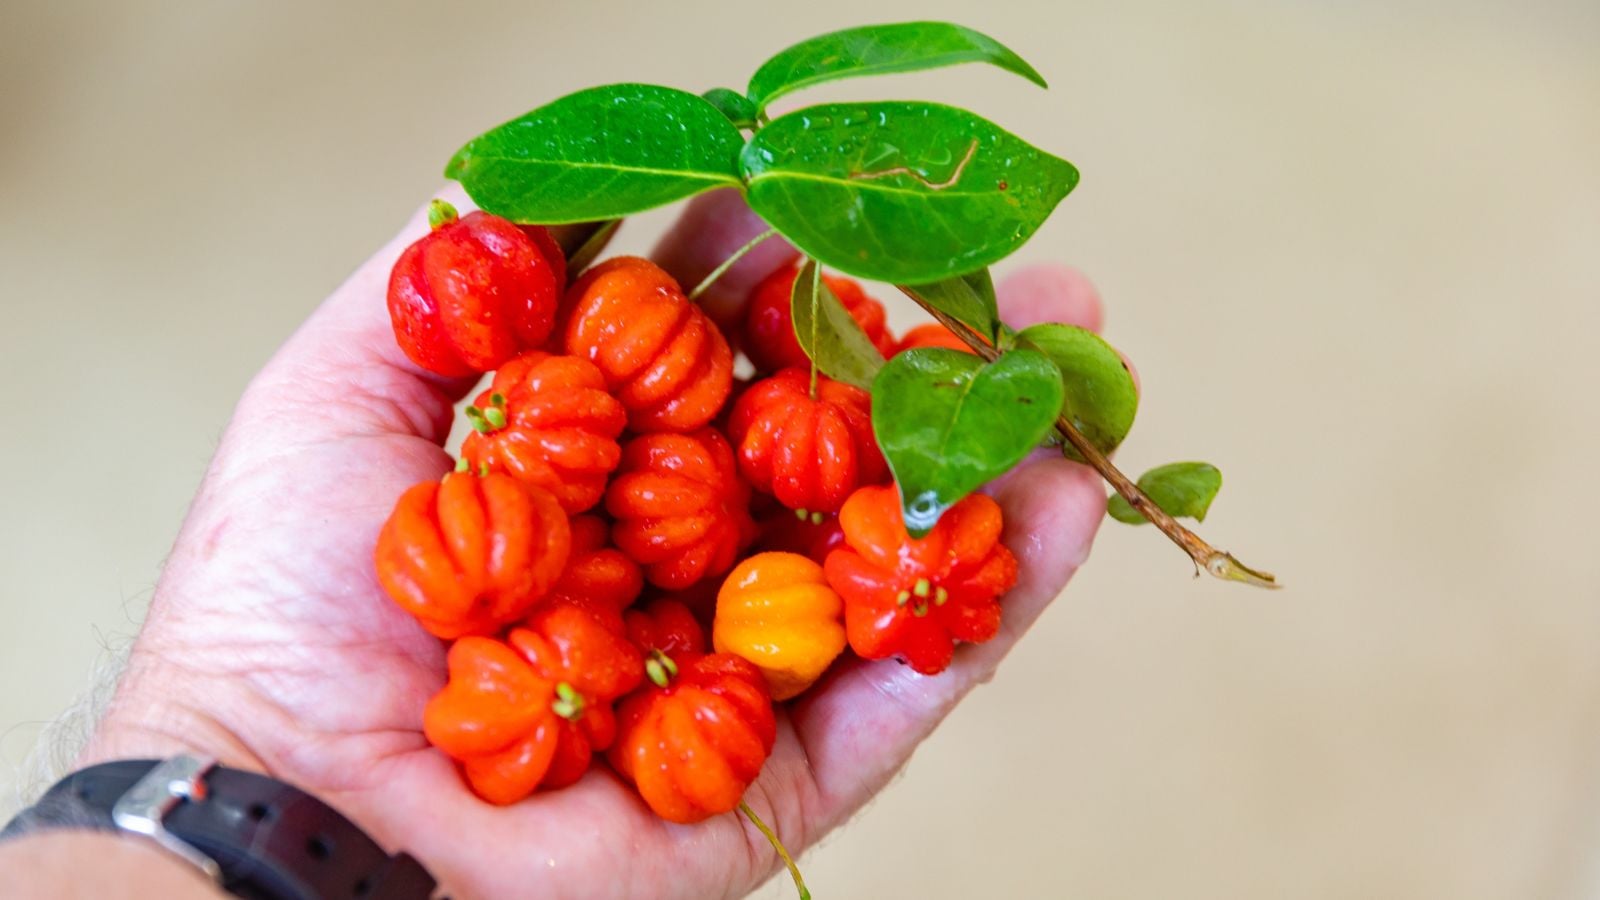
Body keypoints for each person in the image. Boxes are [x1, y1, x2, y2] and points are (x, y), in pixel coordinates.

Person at [0, 187, 1111, 899]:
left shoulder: (738, 510)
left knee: (782, 472)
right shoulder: (548, 568)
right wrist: (238, 739)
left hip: (676, 606)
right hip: (611, 626)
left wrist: (223, 740)